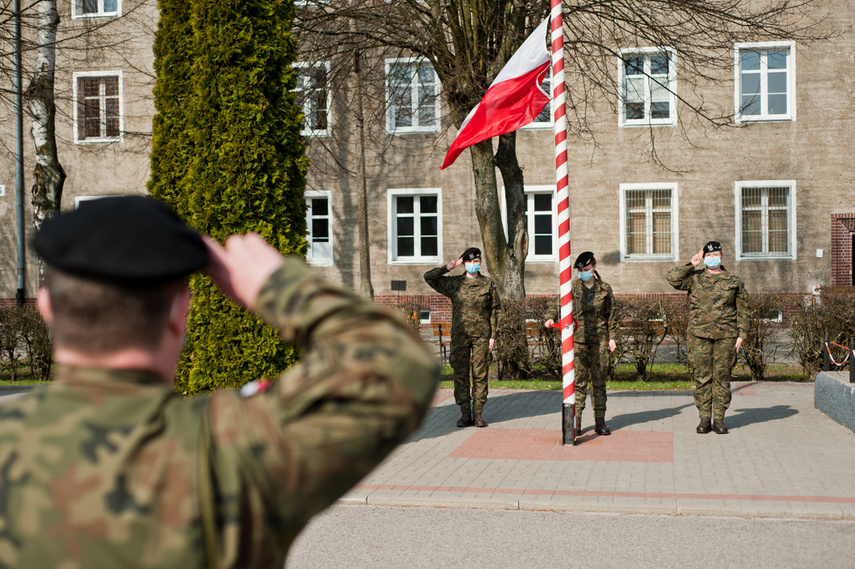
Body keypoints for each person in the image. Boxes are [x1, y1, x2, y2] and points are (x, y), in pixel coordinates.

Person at [0, 196, 439, 568]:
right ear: (180, 310)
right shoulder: (234, 445)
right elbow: (397, 363)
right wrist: (275, 285)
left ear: (46, 307)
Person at [667, 240, 749, 435]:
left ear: (721, 256)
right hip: (699, 336)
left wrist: (742, 334)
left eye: (716, 255)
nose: (713, 259)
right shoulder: (694, 279)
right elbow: (672, 278)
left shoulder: (733, 281)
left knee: (722, 377)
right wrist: (691, 264)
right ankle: (704, 418)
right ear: (704, 258)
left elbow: (743, 310)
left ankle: (719, 419)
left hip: (726, 336)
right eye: (709, 256)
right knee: (702, 377)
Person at [424, 247, 500, 428]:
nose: (474, 265)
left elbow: (496, 310)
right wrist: (448, 268)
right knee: (460, 373)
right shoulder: (455, 283)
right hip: (460, 336)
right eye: (470, 262)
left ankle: (478, 413)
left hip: (482, 336)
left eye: (476, 262)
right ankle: (465, 413)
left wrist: (493, 336)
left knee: (480, 374)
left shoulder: (488, 284)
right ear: (464, 263)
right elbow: (429, 278)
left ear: (480, 263)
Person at [544, 251, 618, 436]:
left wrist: (612, 337)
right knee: (578, 383)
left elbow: (612, 315)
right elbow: (557, 304)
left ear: (593, 267)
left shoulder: (604, 289)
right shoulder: (572, 288)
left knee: (599, 382)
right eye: (580, 270)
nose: (582, 273)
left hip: (599, 341)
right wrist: (550, 317)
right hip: (578, 341)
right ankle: (576, 423)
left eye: (586, 269)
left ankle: (600, 422)